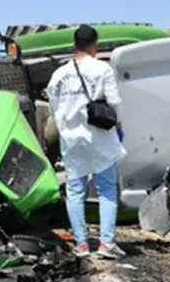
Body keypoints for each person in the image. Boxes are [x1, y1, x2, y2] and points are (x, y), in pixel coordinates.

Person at [46, 24, 126, 259]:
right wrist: (119, 124)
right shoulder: (102, 69)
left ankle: (81, 244)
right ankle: (106, 244)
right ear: (95, 45)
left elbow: (53, 107)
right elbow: (114, 102)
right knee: (106, 190)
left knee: (75, 192)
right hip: (100, 137)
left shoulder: (59, 75)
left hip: (72, 139)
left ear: (74, 45)